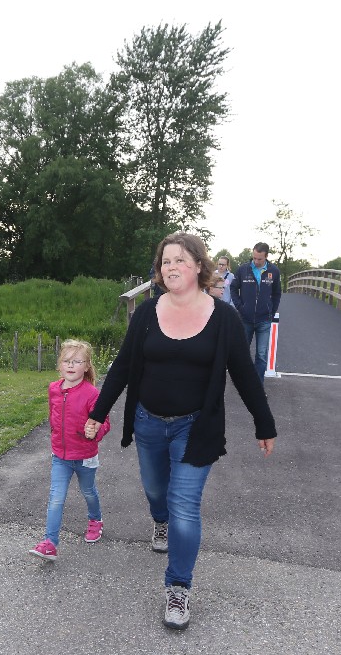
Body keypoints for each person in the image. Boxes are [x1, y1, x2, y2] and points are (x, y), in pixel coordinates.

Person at [85, 232, 276, 630]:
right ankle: (160, 520)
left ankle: (178, 587)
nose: (171, 267)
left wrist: (264, 422)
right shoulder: (146, 313)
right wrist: (99, 413)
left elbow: (244, 374)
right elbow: (122, 367)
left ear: (198, 266)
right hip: (148, 421)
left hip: (196, 425)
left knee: (185, 505)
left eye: (180, 260)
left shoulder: (224, 319)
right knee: (157, 491)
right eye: (166, 261)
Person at [30, 339, 111, 560]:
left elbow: (104, 422)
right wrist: (55, 436)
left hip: (85, 456)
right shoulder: (53, 389)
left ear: (87, 366)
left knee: (88, 491)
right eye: (66, 361)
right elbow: (53, 415)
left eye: (77, 361)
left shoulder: (92, 393)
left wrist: (96, 430)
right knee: (56, 498)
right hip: (60, 456)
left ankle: (95, 519)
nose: (71, 365)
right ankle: (50, 543)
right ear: (59, 365)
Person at [233, 242, 282, 384]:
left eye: (259, 259)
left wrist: (271, 311)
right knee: (242, 352)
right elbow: (234, 289)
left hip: (264, 320)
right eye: (254, 258)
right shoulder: (243, 269)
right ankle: (242, 382)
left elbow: (277, 293)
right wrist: (240, 307)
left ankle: (258, 385)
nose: (256, 261)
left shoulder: (274, 271)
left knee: (261, 355)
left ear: (266, 256)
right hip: (245, 319)